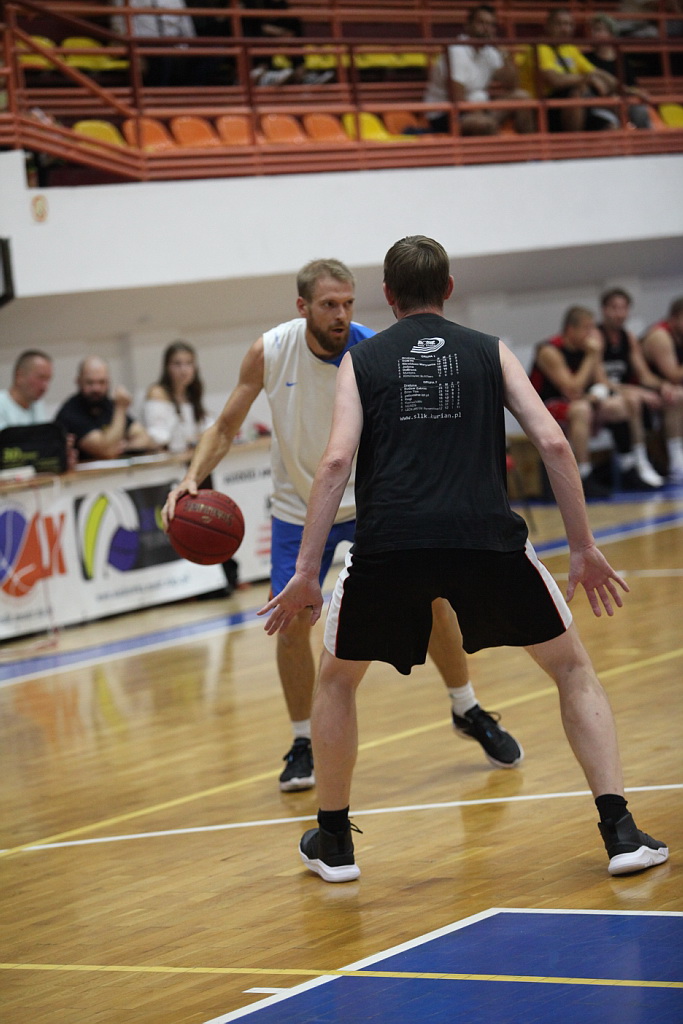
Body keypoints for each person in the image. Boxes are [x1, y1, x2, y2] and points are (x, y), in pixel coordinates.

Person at [260, 234, 668, 883]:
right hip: (484, 538)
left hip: (390, 543)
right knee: (571, 670)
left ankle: (334, 842)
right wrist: (583, 546)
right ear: (448, 288)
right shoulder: (489, 350)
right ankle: (619, 833)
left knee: (336, 681)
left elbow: (335, 462)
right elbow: (554, 444)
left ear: (387, 295)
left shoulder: (360, 362)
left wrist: (306, 572)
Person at [163, 258, 523, 793]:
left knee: (433, 599)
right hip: (298, 506)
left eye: (349, 303)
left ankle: (466, 708)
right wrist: (192, 478)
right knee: (290, 620)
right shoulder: (270, 351)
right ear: (303, 306)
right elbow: (226, 424)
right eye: (329, 304)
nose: (341, 314)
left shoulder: (373, 350)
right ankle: (302, 741)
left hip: (371, 501)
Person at [529, 305, 661, 497]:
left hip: (581, 401)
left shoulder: (589, 348)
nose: (592, 334)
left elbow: (601, 382)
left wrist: (628, 393)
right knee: (581, 409)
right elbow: (571, 389)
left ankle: (632, 463)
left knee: (624, 405)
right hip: (547, 407)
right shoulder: (550, 350)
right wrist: (592, 356)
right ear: (570, 329)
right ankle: (583, 475)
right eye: (587, 328)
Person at [145, 340, 239, 595]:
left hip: (195, 471)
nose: (183, 370)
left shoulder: (192, 395)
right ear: (167, 367)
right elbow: (159, 437)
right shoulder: (158, 393)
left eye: (188, 363)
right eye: (177, 364)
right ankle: (197, 583)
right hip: (170, 474)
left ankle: (220, 575)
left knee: (208, 523)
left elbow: (210, 429)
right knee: (186, 526)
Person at [423, 4, 534, 135]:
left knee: (522, 97)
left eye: (491, 25)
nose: (486, 28)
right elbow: (458, 100)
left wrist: (504, 54)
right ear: (468, 26)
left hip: (479, 109)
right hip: (447, 114)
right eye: (481, 23)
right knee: (485, 124)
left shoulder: (490, 51)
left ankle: (531, 146)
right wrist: (484, 114)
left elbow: (512, 85)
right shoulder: (457, 51)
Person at [597, 287, 669, 487]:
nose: (619, 313)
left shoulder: (628, 338)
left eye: (623, 308)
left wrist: (664, 386)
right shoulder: (596, 336)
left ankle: (674, 461)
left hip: (625, 394)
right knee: (633, 400)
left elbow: (644, 375)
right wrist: (638, 392)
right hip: (600, 396)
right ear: (604, 310)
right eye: (614, 308)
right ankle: (637, 460)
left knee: (672, 397)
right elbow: (601, 381)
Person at [522, 8, 619, 132]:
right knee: (577, 93)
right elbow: (555, 80)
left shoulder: (569, 49)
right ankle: (575, 140)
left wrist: (625, 89)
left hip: (574, 108)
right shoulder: (539, 49)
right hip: (544, 109)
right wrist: (587, 80)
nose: (565, 29)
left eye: (569, 25)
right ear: (548, 26)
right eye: (559, 24)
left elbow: (596, 72)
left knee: (609, 125)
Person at [56, 356, 159, 461]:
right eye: (90, 382)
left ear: (109, 382)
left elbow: (146, 439)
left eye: (101, 382)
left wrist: (125, 447)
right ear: (78, 381)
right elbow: (105, 450)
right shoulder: (70, 412)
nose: (96, 388)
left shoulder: (108, 405)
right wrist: (121, 408)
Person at [641, 296, 683, 482]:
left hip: (666, 386)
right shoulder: (660, 336)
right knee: (676, 396)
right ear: (674, 318)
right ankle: (676, 461)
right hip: (648, 386)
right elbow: (673, 375)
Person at [587, 14, 652, 129]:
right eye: (593, 30)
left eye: (599, 30)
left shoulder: (621, 60)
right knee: (609, 122)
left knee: (640, 111)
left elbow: (632, 85)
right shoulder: (586, 59)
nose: (594, 34)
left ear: (611, 34)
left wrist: (629, 93)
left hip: (624, 101)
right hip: (600, 104)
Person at [0, 349, 53, 429]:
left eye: (48, 379)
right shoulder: (2, 405)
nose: (45, 386)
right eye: (40, 378)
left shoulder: (38, 404)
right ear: (19, 376)